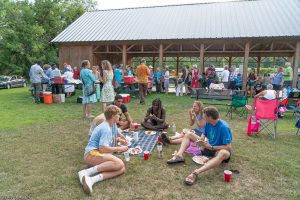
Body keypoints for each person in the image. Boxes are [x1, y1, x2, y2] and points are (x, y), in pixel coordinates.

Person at [166, 107, 232, 186]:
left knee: (223, 153)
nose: (203, 117)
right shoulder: (208, 123)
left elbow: (228, 147)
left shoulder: (223, 127)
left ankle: (196, 172)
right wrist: (201, 140)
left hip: (217, 150)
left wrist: (211, 147)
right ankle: (179, 155)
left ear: (210, 117)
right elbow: (204, 134)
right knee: (188, 134)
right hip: (208, 146)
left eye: (205, 116)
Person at [78, 105, 128, 195]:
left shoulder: (111, 125)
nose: (120, 117)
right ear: (113, 116)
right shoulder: (105, 128)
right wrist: (120, 148)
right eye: (118, 115)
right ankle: (86, 172)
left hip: (97, 153)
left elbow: (117, 132)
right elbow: (103, 148)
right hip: (92, 154)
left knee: (122, 169)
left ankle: (92, 179)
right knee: (119, 163)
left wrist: (122, 138)